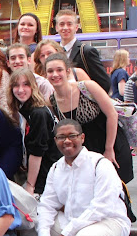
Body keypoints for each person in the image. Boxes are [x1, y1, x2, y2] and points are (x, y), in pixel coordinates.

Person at [34, 119, 130, 236]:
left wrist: (66, 233)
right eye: (61, 137)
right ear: (55, 140)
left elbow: (101, 207)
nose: (67, 141)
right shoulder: (56, 168)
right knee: (33, 223)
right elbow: (47, 205)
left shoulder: (100, 164)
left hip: (108, 222)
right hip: (74, 224)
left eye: (72, 136)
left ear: (83, 138)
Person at [46, 53, 133, 183]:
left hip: (109, 143)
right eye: (50, 71)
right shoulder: (51, 101)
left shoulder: (87, 86)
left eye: (59, 70)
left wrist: (109, 149)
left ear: (68, 71)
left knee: (116, 192)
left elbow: (112, 114)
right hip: (84, 155)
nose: (55, 74)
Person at [7, 69, 61, 195]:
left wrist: (31, 185)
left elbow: (38, 151)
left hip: (48, 174)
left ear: (34, 86)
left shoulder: (38, 113)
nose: (20, 90)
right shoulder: (24, 109)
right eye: (16, 85)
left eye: (26, 84)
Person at [55, 10, 111, 92]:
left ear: (76, 27)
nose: (65, 28)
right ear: (57, 28)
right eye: (62, 24)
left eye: (69, 24)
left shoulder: (87, 51)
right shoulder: (54, 52)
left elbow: (104, 83)